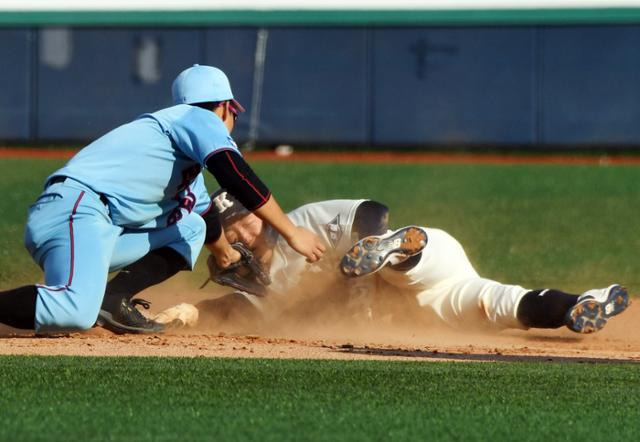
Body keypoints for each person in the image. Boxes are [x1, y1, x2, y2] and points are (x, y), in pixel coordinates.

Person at [0, 64, 325, 335]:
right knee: (75, 313)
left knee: (191, 228)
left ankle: (113, 298)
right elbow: (235, 175)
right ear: (225, 107)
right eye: (233, 114)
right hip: (75, 211)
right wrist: (291, 232)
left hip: (90, 229)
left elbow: (205, 217)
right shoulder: (197, 118)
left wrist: (227, 256)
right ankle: (81, 301)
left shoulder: (178, 160)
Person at [155, 192, 630, 335]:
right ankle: (580, 305)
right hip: (431, 299)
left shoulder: (300, 224)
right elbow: (238, 311)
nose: (237, 235)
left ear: (258, 213)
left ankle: (394, 249)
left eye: (241, 222)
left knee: (378, 258)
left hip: (419, 262)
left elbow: (370, 213)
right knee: (497, 305)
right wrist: (195, 311)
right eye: (227, 232)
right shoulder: (260, 281)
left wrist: (360, 280)